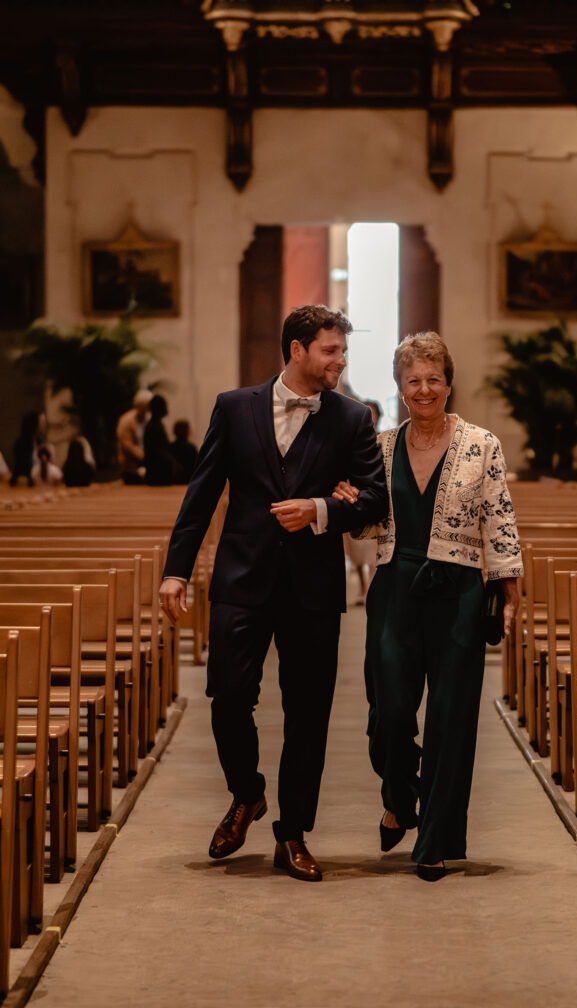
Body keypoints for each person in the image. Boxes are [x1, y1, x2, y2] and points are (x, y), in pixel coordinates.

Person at [159, 304, 388, 882]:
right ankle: (247, 792)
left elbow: (375, 499)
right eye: (331, 350)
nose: (341, 361)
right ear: (297, 349)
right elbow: (202, 492)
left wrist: (320, 509)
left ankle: (293, 834)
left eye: (343, 350)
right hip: (242, 578)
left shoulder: (353, 419)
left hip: (312, 586)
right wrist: (177, 569)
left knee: (307, 713)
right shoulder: (235, 408)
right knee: (228, 693)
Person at [335, 332, 522, 882]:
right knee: (389, 713)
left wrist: (509, 586)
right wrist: (349, 506)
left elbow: (500, 516)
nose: (424, 389)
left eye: (433, 379)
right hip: (395, 588)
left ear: (448, 382)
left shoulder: (481, 444)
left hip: (459, 591)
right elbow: (371, 523)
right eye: (413, 380)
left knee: (450, 718)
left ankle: (435, 840)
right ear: (399, 386)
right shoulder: (380, 447)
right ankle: (399, 795)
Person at [343, 398, 383, 604]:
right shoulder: (348, 440)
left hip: (372, 500)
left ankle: (370, 589)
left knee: (371, 552)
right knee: (356, 553)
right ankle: (362, 586)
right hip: (351, 499)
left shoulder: (382, 440)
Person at [143, 395, 181, 486]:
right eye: (164, 406)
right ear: (158, 408)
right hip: (157, 472)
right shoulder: (154, 427)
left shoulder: (155, 425)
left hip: (156, 471)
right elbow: (158, 450)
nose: (166, 408)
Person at [116, 389, 152, 484]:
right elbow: (127, 444)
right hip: (130, 466)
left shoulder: (149, 418)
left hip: (147, 462)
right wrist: (144, 457)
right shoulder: (126, 420)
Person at [10, 410, 39, 486]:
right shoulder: (22, 443)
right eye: (40, 422)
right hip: (25, 482)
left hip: (37, 481)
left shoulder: (39, 441)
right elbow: (21, 465)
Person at [169, 419, 198, 484]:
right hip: (189, 482)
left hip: (173, 483)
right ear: (187, 431)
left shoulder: (170, 447)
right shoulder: (192, 448)